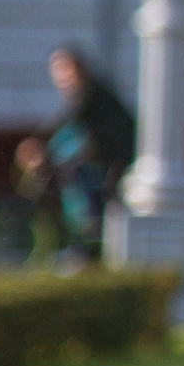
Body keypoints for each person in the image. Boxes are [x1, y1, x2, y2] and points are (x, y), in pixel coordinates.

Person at [42, 46, 136, 256]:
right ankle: (86, 241)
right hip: (107, 155)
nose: (59, 77)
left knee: (93, 194)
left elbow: (70, 119)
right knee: (75, 174)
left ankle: (89, 245)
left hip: (117, 156)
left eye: (63, 69)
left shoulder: (90, 91)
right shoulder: (87, 91)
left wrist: (38, 143)